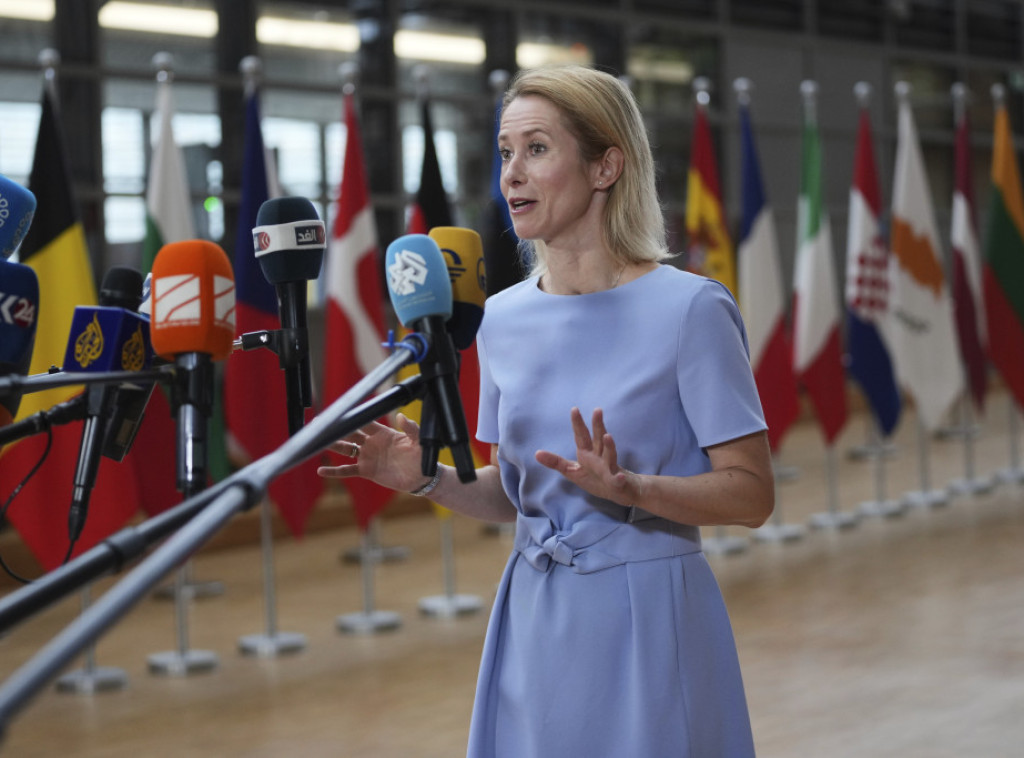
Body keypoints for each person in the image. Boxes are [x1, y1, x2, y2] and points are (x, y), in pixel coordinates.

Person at [318, 64, 774, 757]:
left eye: (536, 148)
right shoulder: (499, 318)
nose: (512, 174)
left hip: (650, 615)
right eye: (505, 152)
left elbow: (752, 494)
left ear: (605, 167)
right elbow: (514, 492)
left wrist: (634, 489)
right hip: (534, 616)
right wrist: (425, 476)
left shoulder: (691, 308)